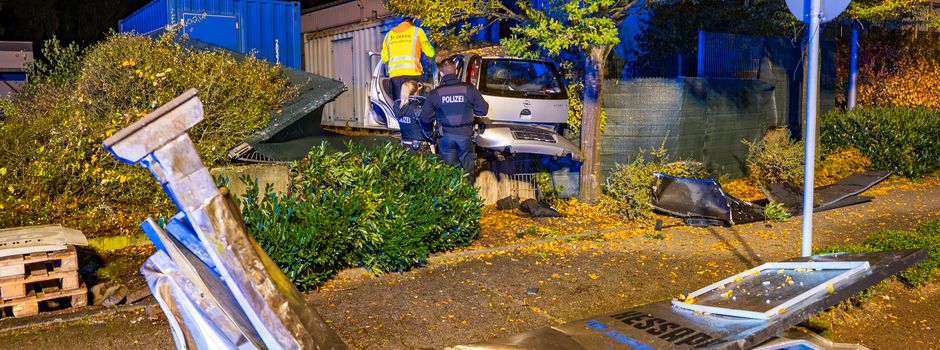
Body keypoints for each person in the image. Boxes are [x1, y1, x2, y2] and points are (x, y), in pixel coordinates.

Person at [420, 58, 489, 177]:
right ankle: (467, 195)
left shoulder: (436, 93)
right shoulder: (469, 89)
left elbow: (425, 119)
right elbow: (483, 110)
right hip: (465, 137)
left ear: (441, 74)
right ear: (456, 71)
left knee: (448, 176)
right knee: (468, 175)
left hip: (445, 138)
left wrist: (431, 136)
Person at [381, 17, 435, 102]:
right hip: (412, 73)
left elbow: (384, 57)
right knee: (415, 103)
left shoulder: (389, 35)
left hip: (395, 76)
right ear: (412, 23)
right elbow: (430, 52)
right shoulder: (417, 31)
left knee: (400, 103)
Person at [395, 80, 434, 154]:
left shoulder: (398, 106)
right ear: (417, 91)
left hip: (405, 146)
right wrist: (432, 138)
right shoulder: (420, 105)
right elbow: (427, 125)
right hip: (420, 147)